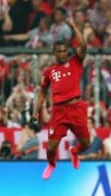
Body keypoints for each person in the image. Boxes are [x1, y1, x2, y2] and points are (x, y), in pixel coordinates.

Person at [33, 16, 90, 180]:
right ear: (54, 53)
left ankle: (75, 151)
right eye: (60, 51)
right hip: (59, 110)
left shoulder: (75, 62)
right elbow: (43, 91)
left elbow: (83, 45)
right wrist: (37, 110)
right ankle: (51, 164)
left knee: (86, 144)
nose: (63, 53)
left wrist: (73, 26)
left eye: (65, 50)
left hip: (76, 107)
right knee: (51, 147)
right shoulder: (50, 71)